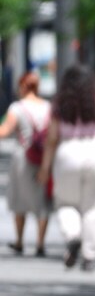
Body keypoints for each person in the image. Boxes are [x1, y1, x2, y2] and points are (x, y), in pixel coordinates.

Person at [36, 65, 95, 271]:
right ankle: (89, 255)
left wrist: (45, 167)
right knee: (94, 206)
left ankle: (73, 236)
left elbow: (52, 138)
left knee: (65, 202)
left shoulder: (59, 104)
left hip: (68, 150)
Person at [0, 72, 52, 257]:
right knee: (42, 200)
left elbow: (4, 131)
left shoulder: (17, 107)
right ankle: (40, 243)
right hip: (44, 157)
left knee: (19, 198)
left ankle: (20, 241)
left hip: (24, 156)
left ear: (22, 86)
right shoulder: (49, 107)